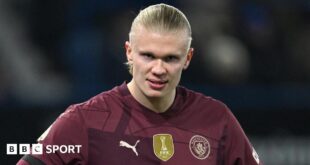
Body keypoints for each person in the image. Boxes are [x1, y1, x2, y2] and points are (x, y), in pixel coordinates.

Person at [17, 3, 262, 165]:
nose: (158, 69)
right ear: (129, 52)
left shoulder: (217, 119)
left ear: (187, 59)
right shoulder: (84, 120)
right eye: (148, 56)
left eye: (170, 58)